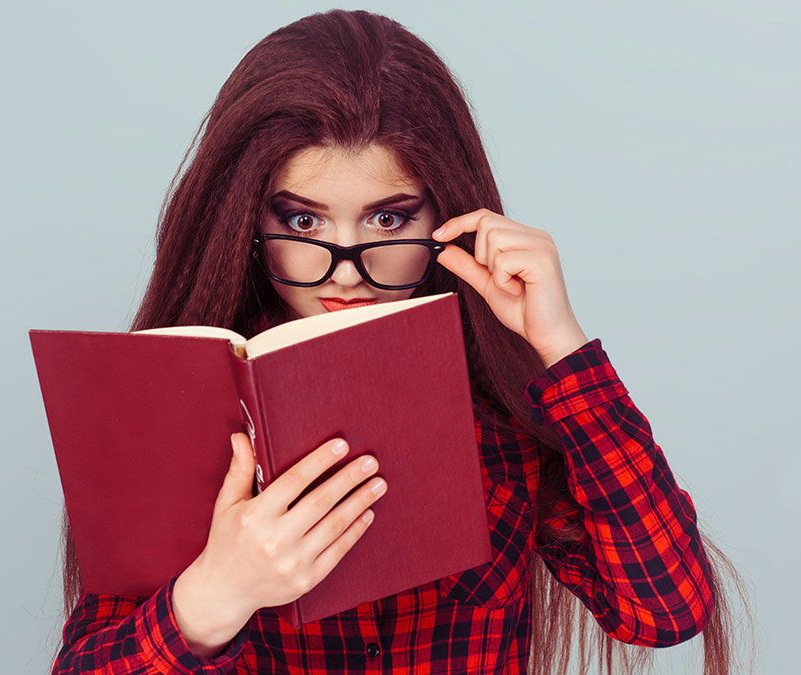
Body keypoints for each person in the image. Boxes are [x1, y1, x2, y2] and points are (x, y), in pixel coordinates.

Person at [50, 9, 752, 674]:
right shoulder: (181, 409)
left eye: (388, 220)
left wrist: (563, 347)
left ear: (444, 210)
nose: (347, 270)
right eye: (302, 223)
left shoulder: (501, 415)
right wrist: (217, 592)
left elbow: (665, 608)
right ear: (247, 219)